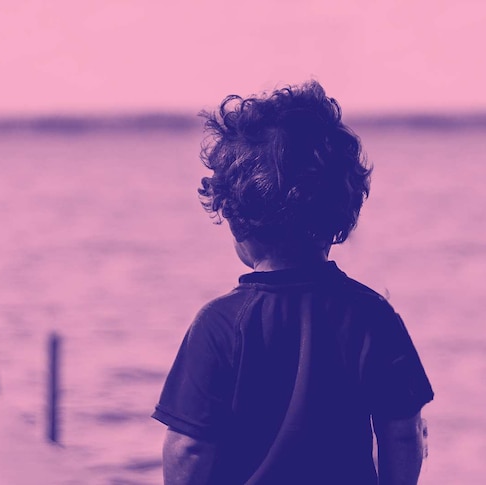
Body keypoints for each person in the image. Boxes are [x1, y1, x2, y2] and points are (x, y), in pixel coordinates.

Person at [152, 81, 434, 485]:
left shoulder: (219, 324)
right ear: (341, 214)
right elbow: (404, 433)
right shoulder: (374, 316)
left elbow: (188, 447)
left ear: (234, 218)